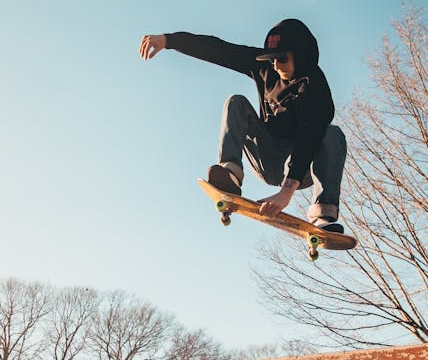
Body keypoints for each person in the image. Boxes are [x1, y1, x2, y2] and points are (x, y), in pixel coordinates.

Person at [139, 18, 347, 233]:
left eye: (282, 59)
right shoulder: (265, 68)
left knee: (331, 134)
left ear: (302, 56)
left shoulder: (316, 88)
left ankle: (323, 214)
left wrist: (287, 191)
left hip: (300, 166)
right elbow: (220, 50)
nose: (276, 65)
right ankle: (231, 173)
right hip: (266, 157)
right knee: (236, 102)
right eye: (272, 59)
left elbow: (309, 138)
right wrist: (169, 40)